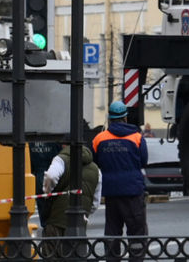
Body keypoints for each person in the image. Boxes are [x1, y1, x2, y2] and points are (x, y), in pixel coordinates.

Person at [93, 101, 149, 262]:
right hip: (133, 191)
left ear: (110, 118)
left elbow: (95, 161)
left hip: (111, 192)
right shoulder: (137, 137)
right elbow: (143, 161)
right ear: (125, 118)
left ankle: (112, 258)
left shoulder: (99, 139)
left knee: (112, 229)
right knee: (137, 230)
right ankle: (136, 259)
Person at [41, 141, 101, 237]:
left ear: (64, 145)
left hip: (57, 218)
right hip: (80, 221)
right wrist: (86, 210)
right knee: (77, 250)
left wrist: (47, 192)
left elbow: (51, 176)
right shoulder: (96, 169)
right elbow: (95, 202)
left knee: (52, 249)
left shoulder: (60, 159)